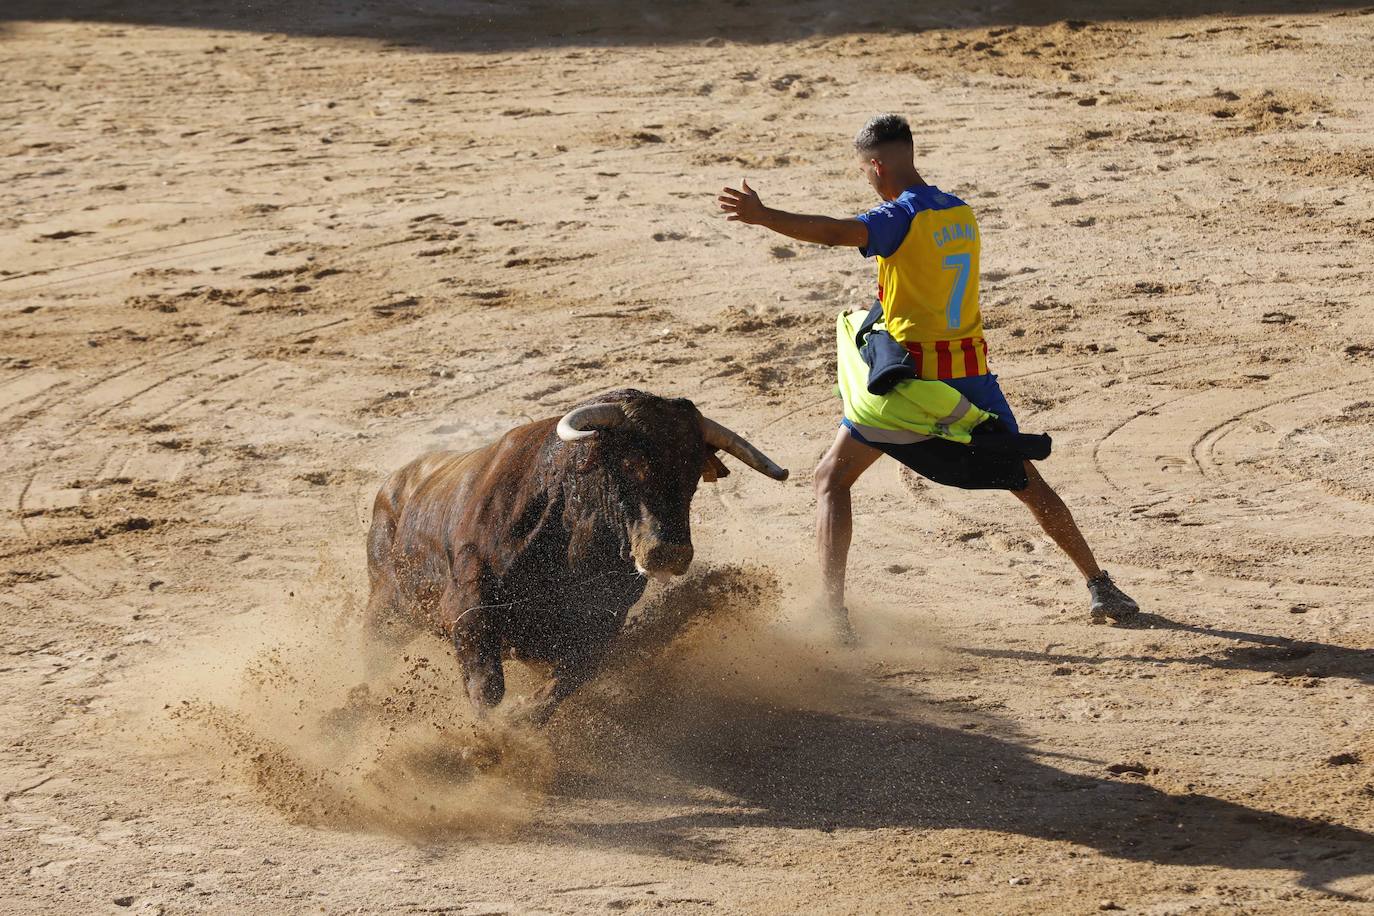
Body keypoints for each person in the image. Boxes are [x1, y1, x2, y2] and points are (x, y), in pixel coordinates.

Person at [717, 113, 1139, 639]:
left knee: (831, 478)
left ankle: (832, 612)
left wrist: (764, 216)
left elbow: (834, 232)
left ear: (875, 166)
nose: (867, 180)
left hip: (916, 387)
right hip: (973, 375)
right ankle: (1100, 583)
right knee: (1028, 483)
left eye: (865, 172)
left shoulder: (901, 216)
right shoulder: (959, 212)